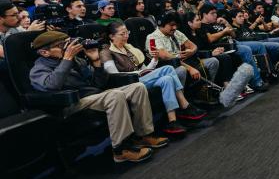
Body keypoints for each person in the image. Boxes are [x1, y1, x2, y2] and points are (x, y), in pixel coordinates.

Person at [29, 31, 167, 163]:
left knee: (138, 87)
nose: (68, 47)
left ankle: (142, 135)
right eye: (61, 45)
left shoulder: (77, 60)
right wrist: (67, 60)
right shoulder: (38, 69)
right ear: (44, 52)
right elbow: (51, 86)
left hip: (94, 96)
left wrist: (96, 62)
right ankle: (120, 150)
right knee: (115, 95)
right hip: (72, 103)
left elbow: (98, 84)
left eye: (67, 42)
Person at [101, 22, 206, 135]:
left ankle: (172, 121)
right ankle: (185, 105)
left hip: (141, 79)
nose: (126, 36)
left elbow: (146, 69)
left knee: (167, 79)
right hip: (127, 85)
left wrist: (154, 60)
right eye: (123, 34)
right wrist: (140, 72)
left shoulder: (129, 48)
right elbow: (115, 76)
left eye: (127, 33)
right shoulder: (106, 52)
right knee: (168, 68)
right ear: (111, 36)